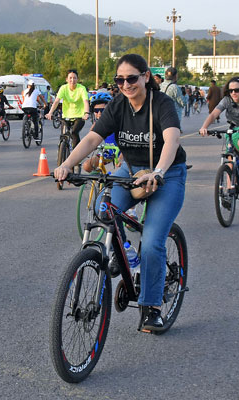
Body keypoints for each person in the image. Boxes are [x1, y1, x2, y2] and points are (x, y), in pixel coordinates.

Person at [54, 54, 187, 332]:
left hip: (167, 174)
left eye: (132, 78)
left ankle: (152, 307)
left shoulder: (161, 104)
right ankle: (125, 252)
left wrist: (159, 172)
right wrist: (67, 164)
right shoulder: (118, 105)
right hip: (130, 169)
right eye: (120, 79)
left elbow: (172, 140)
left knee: (152, 242)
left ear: (146, 77)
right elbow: (92, 138)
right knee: (104, 210)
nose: (126, 84)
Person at [199, 76, 239, 180]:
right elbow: (213, 114)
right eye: (231, 90)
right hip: (233, 129)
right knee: (230, 156)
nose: (233, 93)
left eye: (237, 90)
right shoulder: (226, 100)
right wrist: (204, 127)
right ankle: (230, 189)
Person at [45, 69, 90, 148]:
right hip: (66, 116)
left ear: (77, 79)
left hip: (79, 116)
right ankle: (61, 151)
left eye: (74, 78)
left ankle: (76, 154)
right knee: (63, 135)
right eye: (70, 78)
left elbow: (85, 101)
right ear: (67, 79)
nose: (72, 80)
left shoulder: (81, 88)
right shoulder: (63, 88)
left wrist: (86, 113)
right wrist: (50, 112)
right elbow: (56, 101)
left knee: (74, 132)